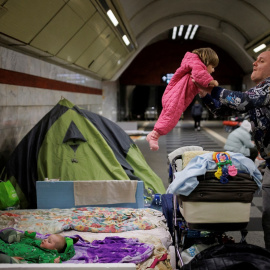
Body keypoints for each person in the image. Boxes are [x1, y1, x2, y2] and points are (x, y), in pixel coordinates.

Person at [193, 48, 270, 251]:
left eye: (261, 60)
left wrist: (211, 88)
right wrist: (205, 95)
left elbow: (242, 100)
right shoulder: (260, 93)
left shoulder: (269, 89)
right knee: (268, 222)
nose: (254, 63)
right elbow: (225, 109)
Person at [146, 47, 219, 151]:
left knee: (166, 117)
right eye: (212, 66)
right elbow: (200, 76)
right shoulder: (198, 66)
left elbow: (199, 80)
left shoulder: (194, 65)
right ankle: (154, 136)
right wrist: (212, 82)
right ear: (206, 62)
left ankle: (153, 135)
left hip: (174, 96)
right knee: (171, 119)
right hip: (176, 97)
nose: (213, 70)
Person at [0, 228, 76, 263]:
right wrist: (29, 236)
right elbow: (28, 241)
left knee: (3, 259)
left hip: (14, 257)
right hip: (9, 247)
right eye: (47, 238)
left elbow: (47, 261)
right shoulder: (39, 243)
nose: (45, 240)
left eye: (49, 241)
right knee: (11, 232)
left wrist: (54, 262)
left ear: (54, 249)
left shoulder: (48, 255)